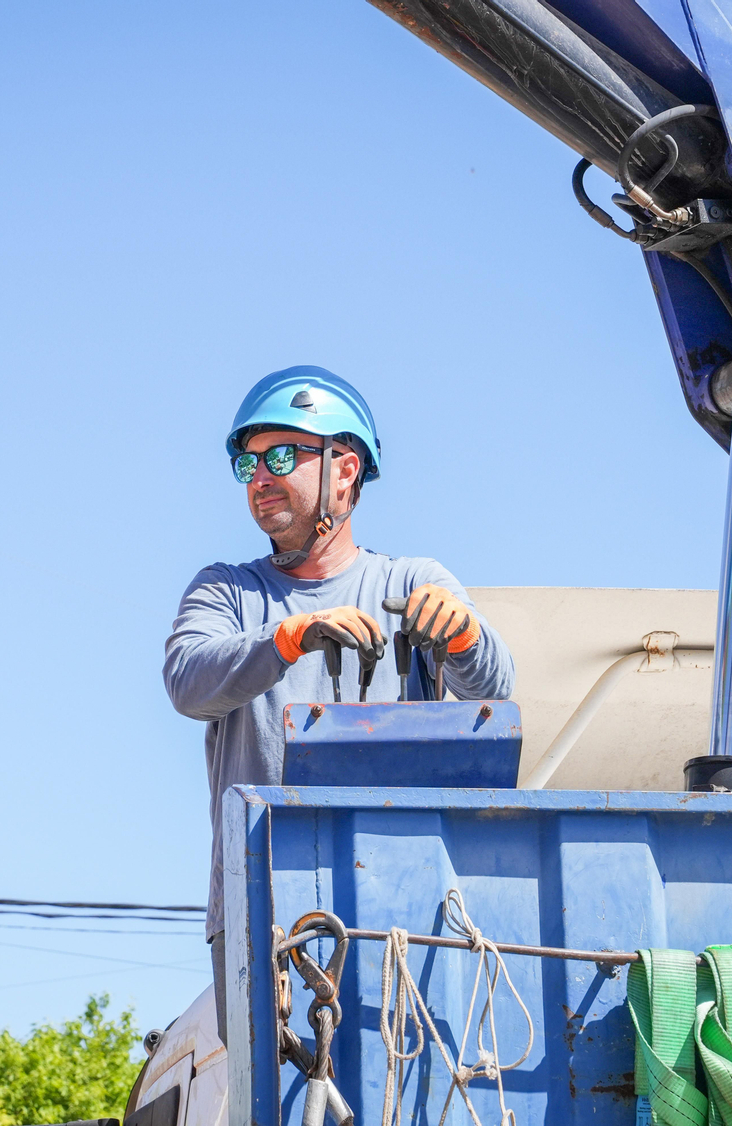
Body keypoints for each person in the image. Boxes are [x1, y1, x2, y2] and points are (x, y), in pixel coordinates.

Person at [162, 365, 515, 1033]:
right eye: (249, 463)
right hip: (261, 908)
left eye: (282, 455)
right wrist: (287, 638)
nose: (260, 476)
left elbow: (493, 689)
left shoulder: (413, 581)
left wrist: (463, 634)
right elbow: (188, 682)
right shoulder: (228, 594)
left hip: (403, 907)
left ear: (344, 469)